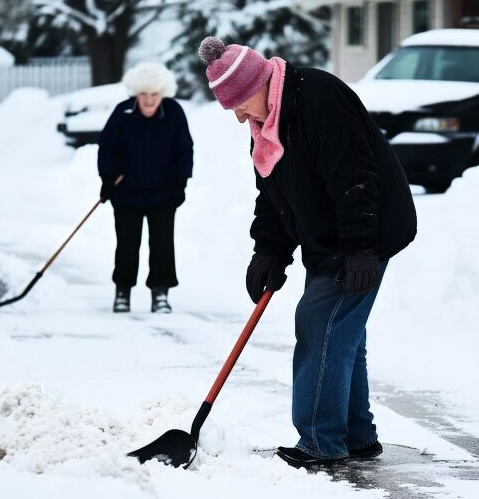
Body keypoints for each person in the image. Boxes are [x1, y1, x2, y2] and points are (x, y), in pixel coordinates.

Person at [198, 37, 417, 469]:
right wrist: (268, 253)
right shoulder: (267, 129)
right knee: (343, 334)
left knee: (320, 324)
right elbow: (276, 196)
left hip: (365, 232)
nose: (240, 116)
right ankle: (355, 436)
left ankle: (321, 439)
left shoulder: (318, 99)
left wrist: (359, 249)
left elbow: (356, 178)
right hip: (331, 238)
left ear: (260, 84)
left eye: (240, 103)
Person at [98, 62, 193, 313]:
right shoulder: (122, 113)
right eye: (144, 95)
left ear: (163, 94)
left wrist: (181, 183)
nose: (149, 100)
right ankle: (123, 292)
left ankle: (160, 293)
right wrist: (108, 180)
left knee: (162, 244)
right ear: (135, 94)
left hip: (163, 193)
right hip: (126, 192)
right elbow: (107, 148)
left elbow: (184, 150)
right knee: (127, 244)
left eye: (154, 95)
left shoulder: (173, 112)